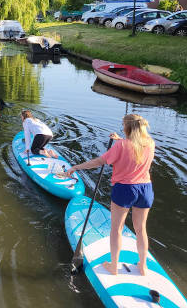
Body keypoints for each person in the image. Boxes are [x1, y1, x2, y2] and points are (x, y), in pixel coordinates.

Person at [62, 114, 155, 276]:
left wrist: (76, 167)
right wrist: (120, 140)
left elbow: (98, 162)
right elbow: (134, 147)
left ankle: (114, 266)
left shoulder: (121, 146)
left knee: (116, 229)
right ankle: (143, 266)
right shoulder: (150, 143)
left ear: (127, 128)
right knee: (141, 229)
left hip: (125, 189)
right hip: (145, 189)